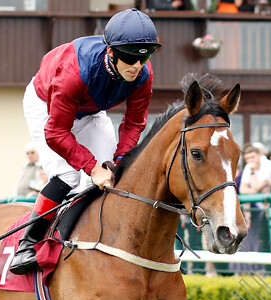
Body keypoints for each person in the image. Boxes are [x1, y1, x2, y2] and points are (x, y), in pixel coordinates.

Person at [10, 8, 161, 275]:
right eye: (129, 57)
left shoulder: (143, 74)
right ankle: (27, 243)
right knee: (69, 176)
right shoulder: (74, 73)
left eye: (144, 56)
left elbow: (134, 122)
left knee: (115, 175)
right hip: (46, 107)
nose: (137, 66)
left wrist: (117, 161)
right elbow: (56, 133)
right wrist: (91, 167)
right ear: (111, 52)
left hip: (91, 111)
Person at [239, 144, 271, 257]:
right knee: (263, 239)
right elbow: (243, 190)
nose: (250, 161)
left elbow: (256, 187)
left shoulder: (269, 165)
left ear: (259, 155)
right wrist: (255, 187)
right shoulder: (249, 167)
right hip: (261, 209)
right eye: (247, 159)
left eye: (252, 157)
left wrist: (252, 174)